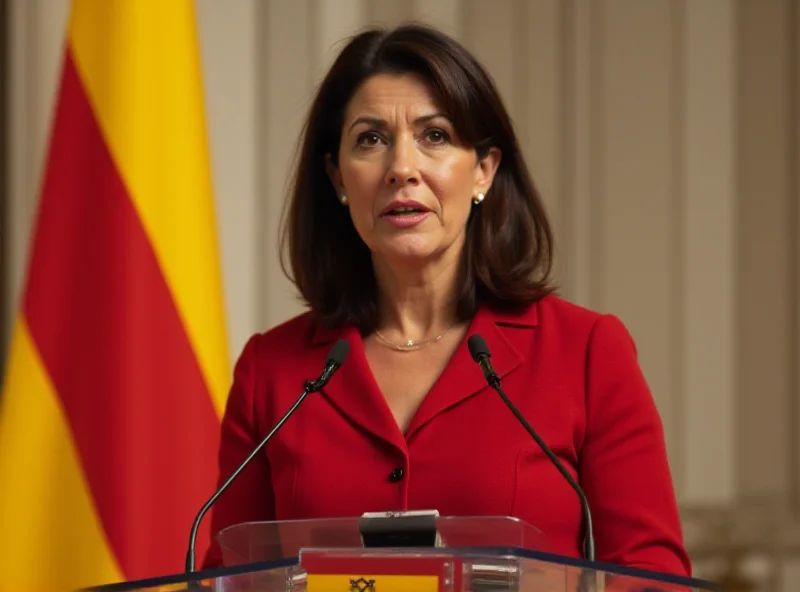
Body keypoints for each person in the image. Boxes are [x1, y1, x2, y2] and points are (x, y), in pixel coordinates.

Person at [202, 22, 692, 578]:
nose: (402, 169)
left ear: (484, 169)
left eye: (434, 136)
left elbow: (654, 578)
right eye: (370, 139)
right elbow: (228, 578)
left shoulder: (585, 352)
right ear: (338, 177)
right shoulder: (272, 370)